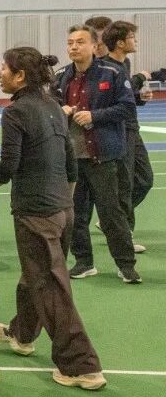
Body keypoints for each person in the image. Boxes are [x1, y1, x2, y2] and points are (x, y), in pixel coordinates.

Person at [0, 48, 105, 391]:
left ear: (20, 76)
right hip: (63, 210)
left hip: (36, 213)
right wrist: (64, 201)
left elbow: (9, 165)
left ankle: (81, 366)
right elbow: (69, 160)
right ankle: (22, 334)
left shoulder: (15, 112)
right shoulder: (53, 105)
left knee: (50, 286)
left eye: (3, 68)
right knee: (35, 275)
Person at [56, 26, 138, 283]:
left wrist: (95, 116)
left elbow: (127, 107)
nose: (74, 47)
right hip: (72, 159)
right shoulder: (61, 76)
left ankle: (126, 265)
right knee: (75, 215)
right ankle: (84, 262)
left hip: (103, 157)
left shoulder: (112, 72)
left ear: (95, 46)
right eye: (70, 42)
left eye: (80, 42)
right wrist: (61, 110)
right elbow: (50, 109)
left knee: (112, 214)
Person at [102, 20, 153, 253]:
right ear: (121, 43)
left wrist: (140, 98)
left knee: (144, 179)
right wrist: (139, 78)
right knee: (124, 184)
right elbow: (111, 97)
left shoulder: (126, 63)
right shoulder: (106, 67)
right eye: (132, 37)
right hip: (119, 131)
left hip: (132, 128)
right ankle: (123, 235)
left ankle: (112, 221)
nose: (136, 40)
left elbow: (125, 95)